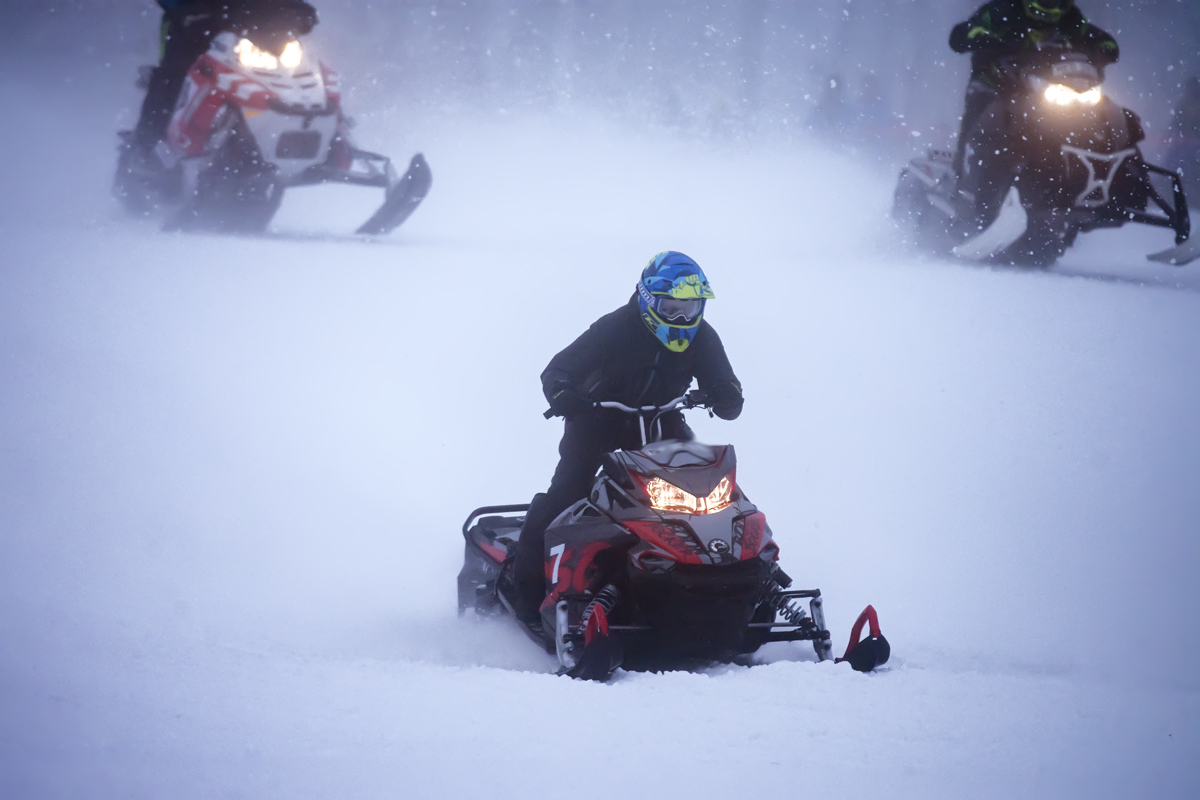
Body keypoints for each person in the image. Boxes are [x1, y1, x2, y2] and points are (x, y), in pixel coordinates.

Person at [500, 252, 745, 625]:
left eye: (690, 307)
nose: (682, 317)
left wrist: (725, 395)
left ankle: (726, 581)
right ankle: (527, 589)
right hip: (597, 420)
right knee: (569, 494)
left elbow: (726, 387)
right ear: (648, 301)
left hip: (662, 420)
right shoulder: (617, 327)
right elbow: (558, 368)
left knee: (708, 491)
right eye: (671, 307)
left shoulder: (702, 336)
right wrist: (563, 393)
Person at [948, 0, 1118, 178]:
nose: (1050, 5)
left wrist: (1100, 53)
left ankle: (1103, 170)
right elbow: (961, 35)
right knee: (982, 108)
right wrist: (980, 37)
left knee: (1100, 112)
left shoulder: (1071, 19)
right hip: (998, 82)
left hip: (1049, 87)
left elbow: (1102, 40)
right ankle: (963, 175)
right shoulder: (1000, 10)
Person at [131, 0, 318, 159]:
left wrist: (293, 7)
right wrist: (190, 8)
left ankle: (322, 143)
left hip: (245, 25)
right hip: (191, 24)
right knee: (175, 76)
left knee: (295, 71)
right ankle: (145, 147)